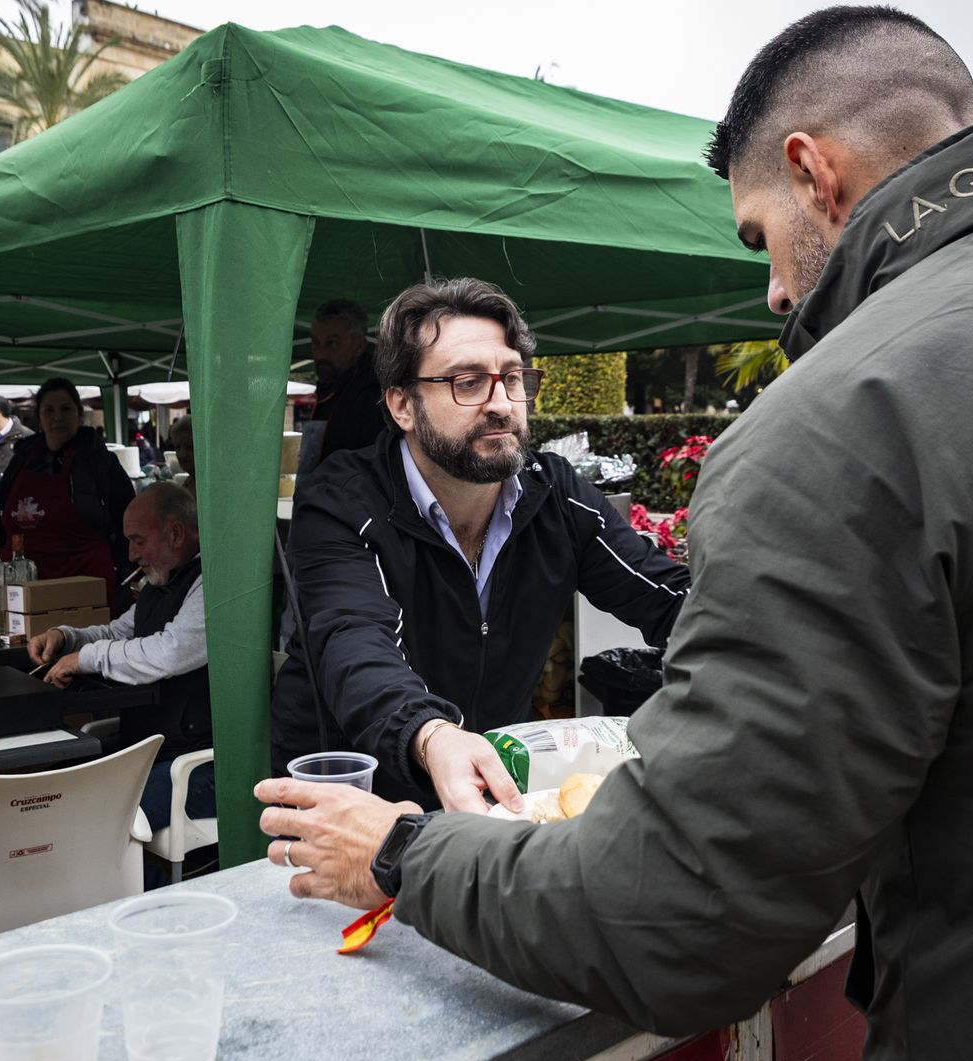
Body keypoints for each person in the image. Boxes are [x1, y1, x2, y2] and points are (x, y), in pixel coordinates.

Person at [254, 8, 973, 1061]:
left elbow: (675, 917)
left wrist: (407, 856)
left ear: (817, 175)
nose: (771, 294)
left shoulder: (851, 413)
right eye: (466, 381)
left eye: (758, 237)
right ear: (403, 403)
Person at [269, 277, 689, 812]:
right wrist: (433, 735)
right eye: (468, 382)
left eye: (513, 378)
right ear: (402, 405)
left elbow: (664, 592)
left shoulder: (554, 494)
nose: (501, 404)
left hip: (486, 786)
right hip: (354, 793)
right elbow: (354, 640)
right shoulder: (341, 502)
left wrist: (759, 642)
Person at [28, 482, 212, 833]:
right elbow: (119, 632)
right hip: (151, 745)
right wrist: (68, 639)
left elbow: (168, 652)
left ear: (175, 534)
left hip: (198, 761)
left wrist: (87, 658)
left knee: (101, 816)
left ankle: (142, 888)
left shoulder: (210, 585)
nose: (130, 554)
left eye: (139, 541)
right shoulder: (163, 584)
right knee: (55, 788)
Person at [0, 377, 135, 611]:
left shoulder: (100, 461)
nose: (57, 417)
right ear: (39, 417)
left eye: (66, 409)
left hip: (83, 584)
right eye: (49, 410)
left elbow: (127, 521)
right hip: (24, 587)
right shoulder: (22, 460)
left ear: (79, 414)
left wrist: (124, 570)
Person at [297, 298, 386, 475]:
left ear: (358, 345)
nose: (320, 354)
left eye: (332, 343)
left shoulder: (374, 396)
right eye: (316, 343)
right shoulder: (327, 391)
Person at [168, 414, 195, 496]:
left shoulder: (210, 483)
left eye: (189, 447)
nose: (182, 454)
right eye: (177, 447)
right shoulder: (189, 482)